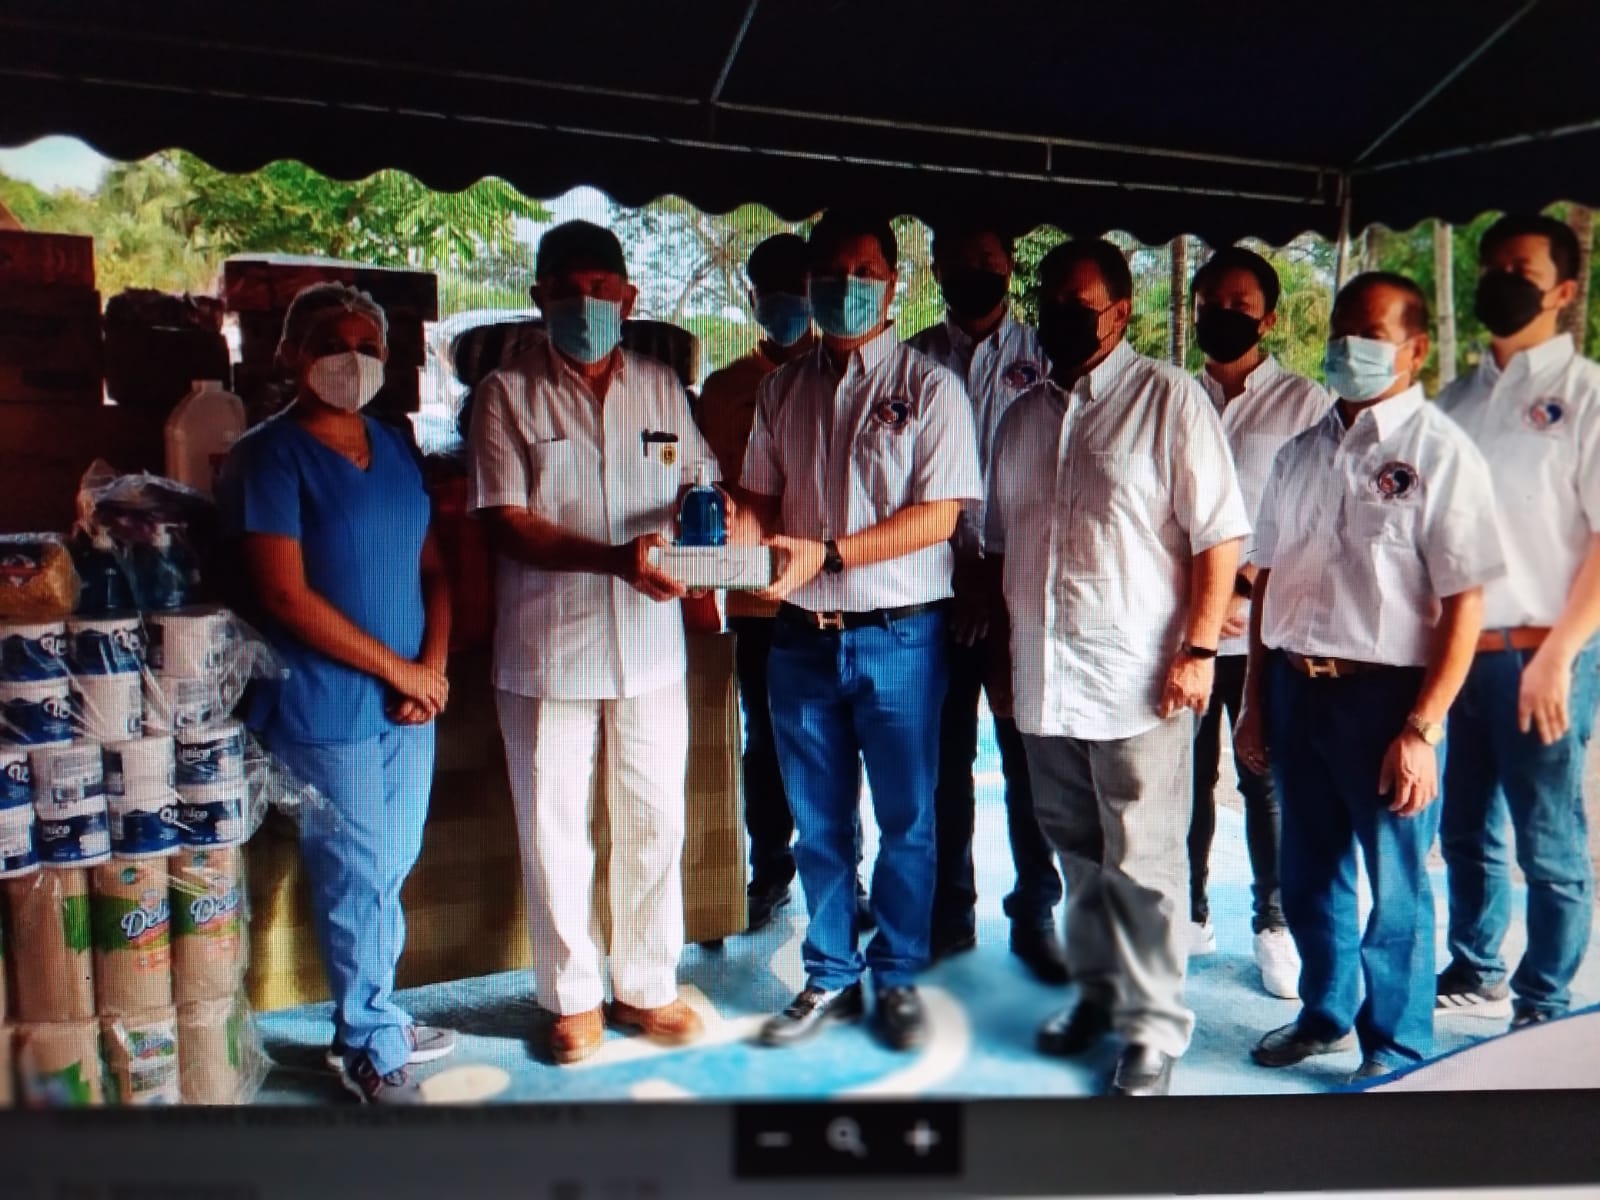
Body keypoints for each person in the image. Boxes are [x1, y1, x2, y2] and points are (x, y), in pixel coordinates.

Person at [986, 239, 1249, 1097]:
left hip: (1142, 679)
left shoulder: (1168, 401)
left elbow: (1219, 536)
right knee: (1079, 855)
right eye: (1052, 298)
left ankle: (1153, 1032)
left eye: (1082, 302)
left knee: (1143, 859)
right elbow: (1002, 546)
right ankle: (1100, 999)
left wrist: (1200, 648)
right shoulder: (1021, 416)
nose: (1064, 314)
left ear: (1123, 310)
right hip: (1047, 681)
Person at [1236, 272, 1504, 1082]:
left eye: (1372, 332)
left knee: (1396, 892)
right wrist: (1254, 704)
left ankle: (1395, 1049)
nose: (1349, 345)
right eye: (1342, 327)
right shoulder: (1299, 452)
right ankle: (1324, 1015)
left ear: (1414, 349)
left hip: (1386, 702)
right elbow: (1268, 584)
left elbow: (1466, 605)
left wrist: (1422, 729)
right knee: (1307, 874)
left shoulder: (1439, 455)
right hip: (1294, 688)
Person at [467, 220, 715, 1065]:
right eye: (568, 290)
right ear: (540, 299)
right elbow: (505, 521)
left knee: (653, 819)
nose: (587, 304)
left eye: (602, 289)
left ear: (629, 297)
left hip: (649, 647)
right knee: (554, 828)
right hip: (547, 651)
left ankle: (646, 983)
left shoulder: (661, 388)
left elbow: (699, 483)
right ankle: (571, 997)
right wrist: (613, 559)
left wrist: (701, 525)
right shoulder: (506, 394)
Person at [740, 209, 982, 1051]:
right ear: (806, 283)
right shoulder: (782, 388)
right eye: (832, 271)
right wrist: (720, 540)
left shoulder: (929, 387)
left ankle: (902, 976)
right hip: (801, 637)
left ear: (893, 282)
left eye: (865, 271)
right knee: (819, 820)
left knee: (910, 819)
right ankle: (830, 974)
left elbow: (940, 515)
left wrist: (830, 551)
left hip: (903, 636)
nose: (848, 286)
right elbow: (761, 504)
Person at [218, 283, 457, 1105]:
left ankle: (375, 1011)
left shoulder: (394, 446)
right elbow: (283, 597)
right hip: (324, 703)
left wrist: (433, 665)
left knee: (391, 862)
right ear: (289, 353)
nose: (350, 358)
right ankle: (368, 1041)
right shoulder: (267, 457)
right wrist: (403, 673)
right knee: (356, 871)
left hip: (407, 701)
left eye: (367, 345)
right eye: (329, 339)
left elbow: (432, 566)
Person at [1435, 214, 1600, 1028]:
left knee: (1549, 838)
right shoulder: (1456, 399)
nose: (1503, 277)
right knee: (1463, 827)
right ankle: (1475, 962)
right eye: (1492, 264)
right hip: (1457, 654)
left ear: (1564, 290)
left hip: (1543, 652)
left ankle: (1544, 999)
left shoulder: (1587, 395)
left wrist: (1561, 653)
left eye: (1523, 267)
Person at [696, 234, 872, 936]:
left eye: (801, 287)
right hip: (758, 602)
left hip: (838, 594)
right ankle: (769, 870)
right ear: (752, 299)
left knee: (844, 741)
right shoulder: (725, 389)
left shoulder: (850, 377)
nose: (789, 304)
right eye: (771, 289)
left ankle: (846, 875)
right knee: (767, 744)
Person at [906, 219, 1065, 981]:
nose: (978, 270)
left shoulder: (1047, 358)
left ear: (1011, 265)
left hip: (1022, 592)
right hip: (933, 591)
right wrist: (960, 572)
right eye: (961, 260)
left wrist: (997, 587)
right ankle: (949, 913)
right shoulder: (912, 362)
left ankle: (1036, 911)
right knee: (942, 765)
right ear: (934, 270)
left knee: (1028, 759)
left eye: (990, 257)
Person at [1187, 246, 1331, 997]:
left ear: (1268, 317)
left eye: (1239, 306)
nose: (1222, 315)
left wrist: (1245, 581)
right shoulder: (1175, 397)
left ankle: (1272, 924)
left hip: (1261, 627)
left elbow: (1312, 514)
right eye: (1210, 301)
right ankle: (1190, 909)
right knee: (1183, 773)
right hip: (1183, 628)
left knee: (1259, 777)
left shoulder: (1306, 404)